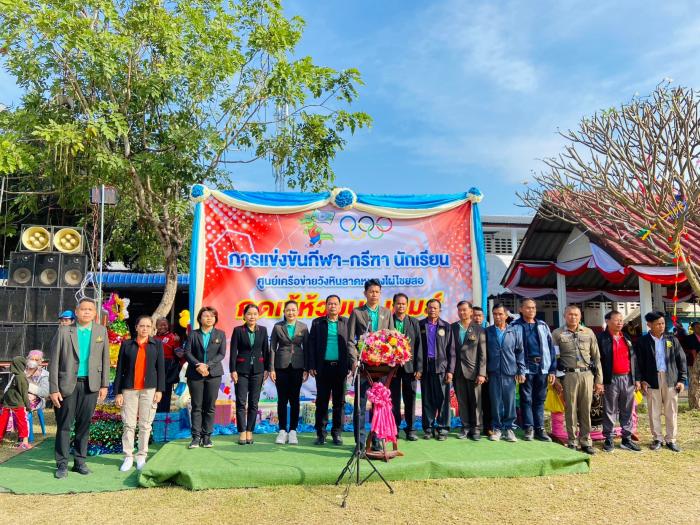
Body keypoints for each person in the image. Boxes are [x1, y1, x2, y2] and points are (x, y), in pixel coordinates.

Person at [49, 298, 110, 478]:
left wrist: (104, 384)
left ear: (95, 313)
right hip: (67, 385)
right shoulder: (64, 331)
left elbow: (105, 359)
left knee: (84, 425)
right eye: (83, 309)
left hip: (91, 385)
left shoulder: (101, 331)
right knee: (64, 425)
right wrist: (53, 389)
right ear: (76, 312)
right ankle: (62, 464)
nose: (86, 312)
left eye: (90, 309)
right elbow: (53, 362)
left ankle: (80, 462)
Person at [114, 315, 165, 471]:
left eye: (148, 326)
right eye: (142, 326)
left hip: (149, 389)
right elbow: (120, 370)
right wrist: (118, 392)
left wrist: (160, 390)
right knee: (129, 424)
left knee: (145, 425)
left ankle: (142, 455)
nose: (145, 329)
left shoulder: (156, 344)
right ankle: (128, 456)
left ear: (152, 329)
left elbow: (161, 369)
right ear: (136, 327)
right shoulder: (127, 345)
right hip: (129, 389)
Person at [348, 278, 394, 449]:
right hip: (363, 366)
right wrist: (354, 362)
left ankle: (376, 441)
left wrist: (390, 361)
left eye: (377, 292)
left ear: (380, 294)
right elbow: (350, 341)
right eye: (371, 292)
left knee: (379, 405)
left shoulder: (386, 312)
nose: (374, 295)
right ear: (365, 293)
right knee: (360, 406)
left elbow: (391, 339)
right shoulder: (357, 313)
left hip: (381, 368)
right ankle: (360, 444)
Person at [552, 305, 603, 455]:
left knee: (586, 409)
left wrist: (598, 380)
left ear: (580, 317)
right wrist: (556, 379)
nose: (573, 317)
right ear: (564, 315)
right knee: (571, 410)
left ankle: (586, 441)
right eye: (570, 314)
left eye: (576, 315)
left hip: (587, 375)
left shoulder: (588, 333)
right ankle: (572, 441)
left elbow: (597, 357)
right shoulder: (557, 333)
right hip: (569, 376)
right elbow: (554, 357)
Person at [635, 311, 687, 452]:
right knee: (654, 411)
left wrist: (682, 379)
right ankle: (657, 438)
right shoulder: (642, 342)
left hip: (670, 378)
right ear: (649, 325)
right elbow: (638, 363)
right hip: (651, 380)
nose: (661, 326)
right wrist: (641, 380)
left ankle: (671, 439)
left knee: (671, 411)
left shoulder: (672, 339)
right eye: (658, 323)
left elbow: (681, 359)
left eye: (663, 323)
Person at [308, 295, 350, 445]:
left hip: (340, 368)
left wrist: (351, 365)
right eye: (330, 304)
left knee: (339, 402)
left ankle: (337, 433)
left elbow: (351, 344)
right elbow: (311, 345)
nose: (332, 306)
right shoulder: (317, 323)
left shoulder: (346, 322)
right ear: (325, 306)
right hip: (322, 368)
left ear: (340, 307)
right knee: (322, 402)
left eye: (335, 304)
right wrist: (311, 365)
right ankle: (321, 433)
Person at [512, 298, 556, 442]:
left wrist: (552, 370)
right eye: (528, 308)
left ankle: (540, 429)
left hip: (542, 367)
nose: (531, 310)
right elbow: (512, 350)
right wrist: (518, 370)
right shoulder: (514, 326)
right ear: (521, 309)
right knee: (526, 399)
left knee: (539, 399)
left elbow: (550, 349)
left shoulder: (542, 325)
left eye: (533, 308)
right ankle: (528, 428)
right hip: (525, 367)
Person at [597, 310, 641, 452]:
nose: (620, 322)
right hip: (610, 379)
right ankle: (609, 438)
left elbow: (634, 359)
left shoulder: (626, 337)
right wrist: (599, 381)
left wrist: (637, 379)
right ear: (608, 321)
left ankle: (626, 439)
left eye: (621, 320)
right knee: (610, 410)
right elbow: (597, 361)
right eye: (616, 320)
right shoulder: (601, 339)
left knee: (627, 409)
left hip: (627, 378)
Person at [184, 306, 227, 449]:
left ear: (215, 319)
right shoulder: (193, 334)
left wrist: (207, 366)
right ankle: (196, 437)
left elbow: (221, 354)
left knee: (210, 406)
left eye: (212, 316)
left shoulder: (220, 334)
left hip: (213, 374)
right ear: (200, 318)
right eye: (206, 316)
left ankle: (207, 437)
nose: (209, 318)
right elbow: (187, 352)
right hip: (195, 374)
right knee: (197, 406)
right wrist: (198, 365)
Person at [230, 304, 271, 445]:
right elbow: (233, 352)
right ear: (244, 315)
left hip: (258, 371)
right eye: (249, 314)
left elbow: (266, 351)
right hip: (241, 371)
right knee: (241, 403)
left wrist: (267, 369)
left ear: (258, 315)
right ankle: (242, 432)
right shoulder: (238, 330)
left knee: (254, 403)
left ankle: (249, 431)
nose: (252, 316)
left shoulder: (263, 330)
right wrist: (232, 370)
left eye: (254, 314)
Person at [270, 300, 309, 445]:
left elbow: (307, 348)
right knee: (282, 399)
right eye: (288, 310)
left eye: (293, 310)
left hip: (298, 367)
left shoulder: (303, 327)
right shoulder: (278, 327)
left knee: (294, 399)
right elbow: (272, 348)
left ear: (297, 311)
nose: (291, 312)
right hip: (281, 366)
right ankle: (281, 431)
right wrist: (272, 369)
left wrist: (306, 369)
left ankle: (293, 431)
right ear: (284, 312)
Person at [485, 304, 525, 442]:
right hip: (493, 372)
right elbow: (483, 354)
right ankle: (496, 428)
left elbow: (520, 352)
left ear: (506, 316)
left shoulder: (514, 331)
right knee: (495, 402)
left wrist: (521, 370)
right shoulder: (487, 331)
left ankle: (508, 428)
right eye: (495, 314)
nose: (497, 316)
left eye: (500, 314)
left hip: (510, 372)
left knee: (509, 401)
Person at [418, 299, 455, 441]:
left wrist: (450, 370)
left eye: (435, 308)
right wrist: (418, 368)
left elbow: (451, 351)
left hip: (442, 368)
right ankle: (428, 428)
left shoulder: (446, 326)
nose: (432, 310)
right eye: (430, 308)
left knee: (443, 399)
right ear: (426, 309)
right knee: (427, 398)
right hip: (426, 367)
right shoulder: (420, 325)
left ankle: (443, 428)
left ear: (440, 310)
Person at [451, 301, 486, 440]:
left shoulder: (479, 329)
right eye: (459, 310)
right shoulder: (453, 327)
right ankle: (465, 427)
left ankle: (476, 428)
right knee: (462, 401)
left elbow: (483, 354)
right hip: (457, 371)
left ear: (471, 312)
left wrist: (482, 373)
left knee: (476, 401)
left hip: (474, 372)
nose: (462, 312)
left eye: (465, 310)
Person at [390, 293, 423, 441]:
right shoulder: (388, 321)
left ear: (407, 305)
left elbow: (418, 346)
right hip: (392, 368)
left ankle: (410, 429)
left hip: (410, 368)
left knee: (410, 398)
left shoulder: (414, 322)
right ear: (393, 305)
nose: (401, 306)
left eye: (403, 304)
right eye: (398, 303)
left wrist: (419, 368)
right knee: (393, 399)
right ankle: (394, 428)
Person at [0, 356, 31, 449]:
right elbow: (24, 393)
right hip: (18, 404)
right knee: (22, 422)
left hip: (7, 403)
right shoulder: (21, 376)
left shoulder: (12, 375)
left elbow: (6, 390)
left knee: (2, 421)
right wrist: (28, 406)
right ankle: (24, 442)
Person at [154, 318, 182, 413]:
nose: (163, 326)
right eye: (160, 324)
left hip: (168, 369)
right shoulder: (153, 338)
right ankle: (154, 416)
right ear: (156, 326)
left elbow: (180, 354)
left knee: (165, 394)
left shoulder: (172, 337)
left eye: (165, 324)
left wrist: (177, 343)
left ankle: (164, 416)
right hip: (155, 369)